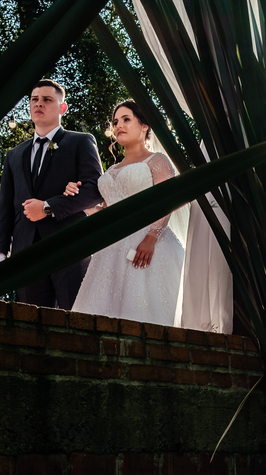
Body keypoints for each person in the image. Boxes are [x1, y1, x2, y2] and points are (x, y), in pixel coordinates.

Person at [68, 101, 189, 326]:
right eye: (115, 122)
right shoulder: (112, 170)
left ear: (144, 126)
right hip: (110, 251)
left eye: (126, 119)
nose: (118, 126)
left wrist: (152, 236)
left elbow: (168, 199)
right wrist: (79, 202)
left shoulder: (157, 160)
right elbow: (105, 214)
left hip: (147, 245)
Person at [0, 80, 105, 310]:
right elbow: (5, 207)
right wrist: (0, 255)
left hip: (69, 247)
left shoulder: (80, 142)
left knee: (74, 320)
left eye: (47, 99)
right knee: (32, 326)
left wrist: (48, 206)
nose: (39, 104)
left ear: (62, 108)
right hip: (26, 254)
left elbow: (95, 189)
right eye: (34, 99)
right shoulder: (14, 155)